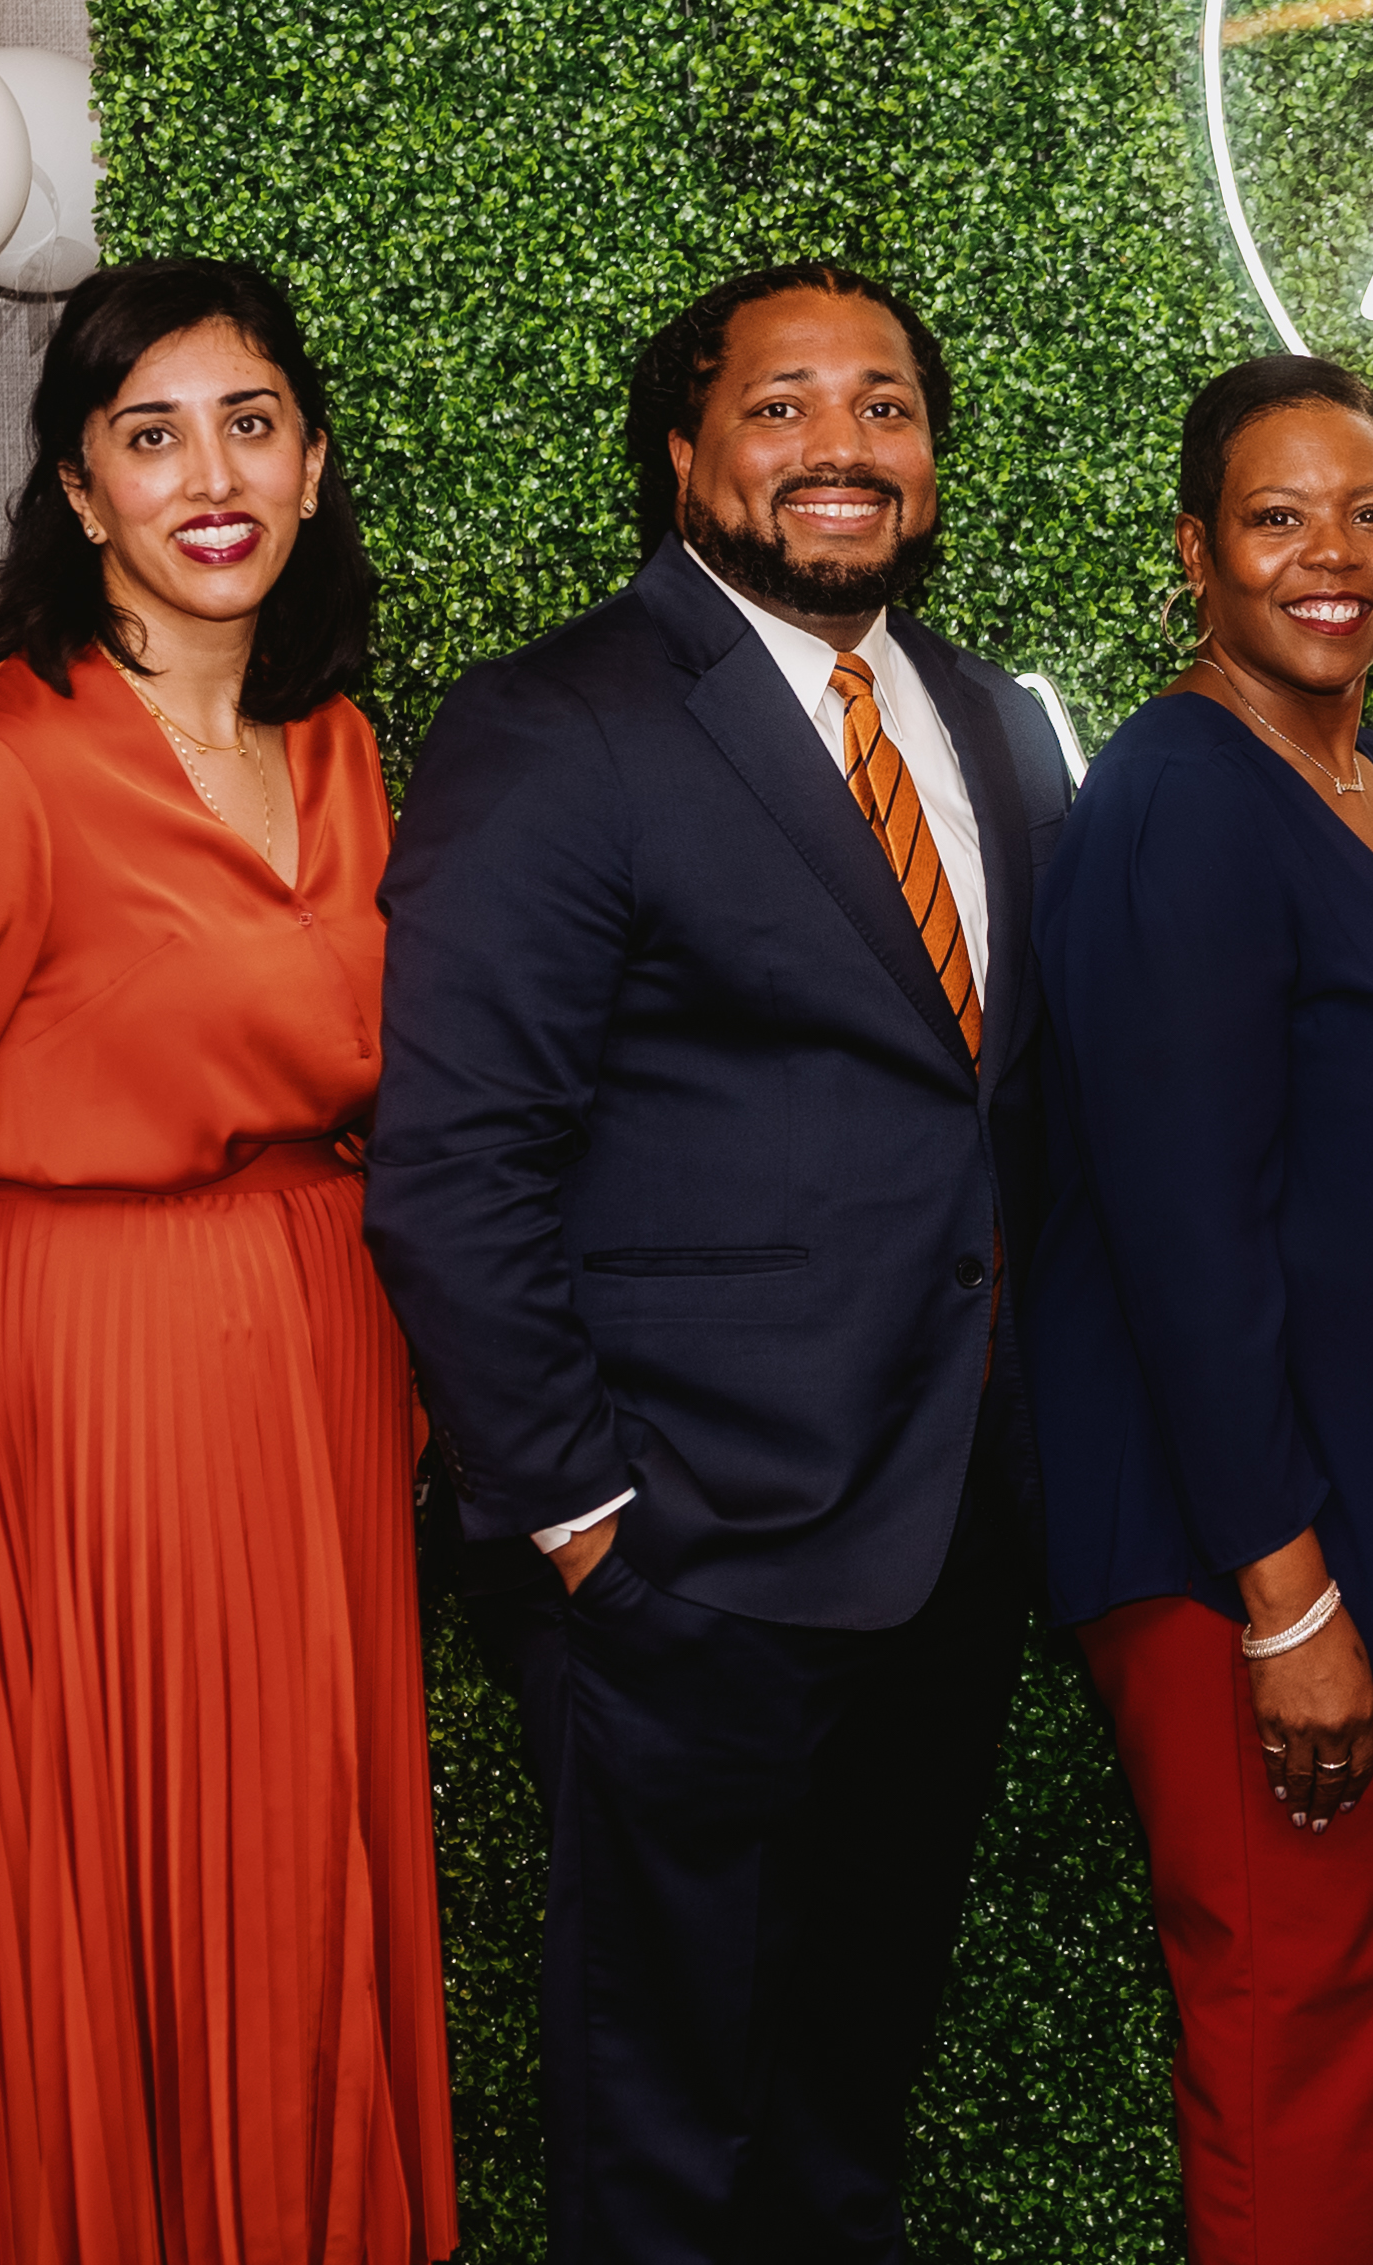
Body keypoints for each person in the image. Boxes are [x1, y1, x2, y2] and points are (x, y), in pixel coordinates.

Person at [0, 260, 455, 2263]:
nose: (207, 473)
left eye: (248, 423)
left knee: (299, 1867)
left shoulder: (340, 749)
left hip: (324, 1357)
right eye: (150, 434)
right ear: (78, 492)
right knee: (136, 1873)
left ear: (312, 465)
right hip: (96, 1372)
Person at [366, 260, 1069, 2264]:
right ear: (682, 455)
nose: (839, 442)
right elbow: (454, 1153)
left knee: (846, 2099)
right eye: (779, 405)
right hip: (686, 1561)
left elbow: (985, 1117)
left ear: (929, 460)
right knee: (663, 2127)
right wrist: (591, 1519)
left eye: (883, 403)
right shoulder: (559, 718)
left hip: (939, 1548)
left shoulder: (992, 721)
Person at [1026, 355, 1373, 2263]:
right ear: (1193, 554)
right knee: (1296, 2057)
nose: (1335, 557)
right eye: (1278, 517)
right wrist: (1290, 1595)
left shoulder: (1365, 769)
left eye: (1372, 512)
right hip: (1259, 1555)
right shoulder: (1180, 797)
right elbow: (1179, 1232)